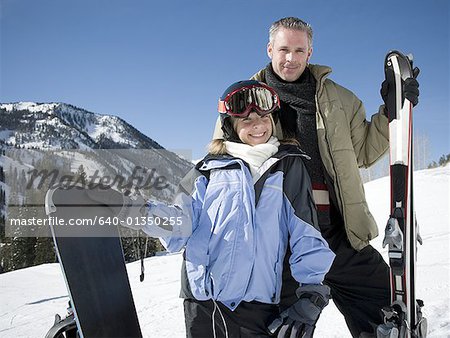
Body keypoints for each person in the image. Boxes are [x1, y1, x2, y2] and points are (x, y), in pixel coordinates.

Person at [212, 17, 420, 338]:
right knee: (282, 328)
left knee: (386, 318)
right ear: (270, 49)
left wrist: (392, 112)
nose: (290, 58)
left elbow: (363, 152)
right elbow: (223, 167)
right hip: (282, 248)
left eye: (299, 50)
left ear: (310, 52)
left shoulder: (343, 100)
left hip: (341, 235)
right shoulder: (244, 99)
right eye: (283, 49)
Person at [134, 80, 335, 337]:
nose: (258, 125)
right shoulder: (206, 170)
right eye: (247, 120)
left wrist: (312, 291)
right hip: (204, 304)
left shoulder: (288, 167)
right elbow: (180, 224)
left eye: (264, 117)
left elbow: (305, 231)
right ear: (230, 126)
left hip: (258, 307)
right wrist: (141, 211)